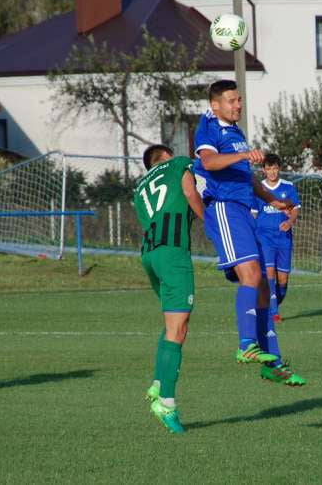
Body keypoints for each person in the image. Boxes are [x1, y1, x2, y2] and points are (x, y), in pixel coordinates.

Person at [193, 79, 306, 386]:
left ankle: (273, 362)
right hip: (225, 207)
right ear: (216, 105)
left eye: (239, 100)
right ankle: (246, 347)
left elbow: (246, 177)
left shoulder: (236, 133)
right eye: (232, 100)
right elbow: (208, 162)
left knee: (265, 289)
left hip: (244, 208)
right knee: (253, 276)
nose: (238, 105)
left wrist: (273, 200)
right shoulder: (210, 127)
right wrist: (243, 156)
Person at [136, 144, 205, 434]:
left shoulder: (139, 187)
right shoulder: (177, 164)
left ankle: (157, 384)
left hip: (150, 255)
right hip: (174, 253)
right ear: (164, 156)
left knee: (172, 322)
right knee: (179, 328)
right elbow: (190, 192)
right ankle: (167, 402)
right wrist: (210, 221)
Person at [252, 154, 300, 323]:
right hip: (264, 237)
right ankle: (273, 313)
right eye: (268, 168)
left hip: (284, 238)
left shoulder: (288, 187)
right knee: (269, 274)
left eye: (274, 168)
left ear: (279, 169)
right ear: (263, 170)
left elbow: (294, 209)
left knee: (283, 280)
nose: (271, 172)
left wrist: (290, 221)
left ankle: (272, 304)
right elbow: (254, 213)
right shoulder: (259, 189)